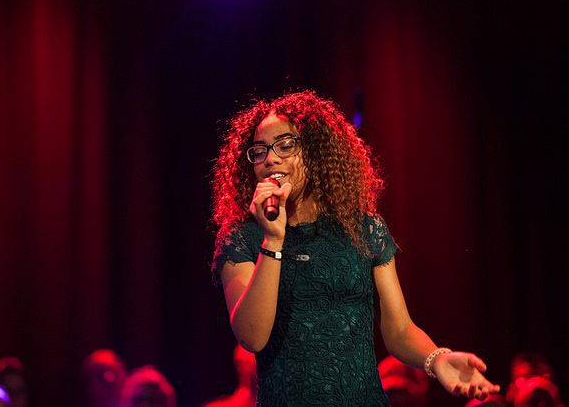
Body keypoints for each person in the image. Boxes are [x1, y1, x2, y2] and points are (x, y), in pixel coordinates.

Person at [211, 90, 501, 406]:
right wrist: (273, 240)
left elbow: (399, 329)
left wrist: (437, 358)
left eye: (285, 145)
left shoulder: (363, 229)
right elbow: (252, 336)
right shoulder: (243, 238)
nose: (270, 158)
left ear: (315, 151)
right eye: (259, 151)